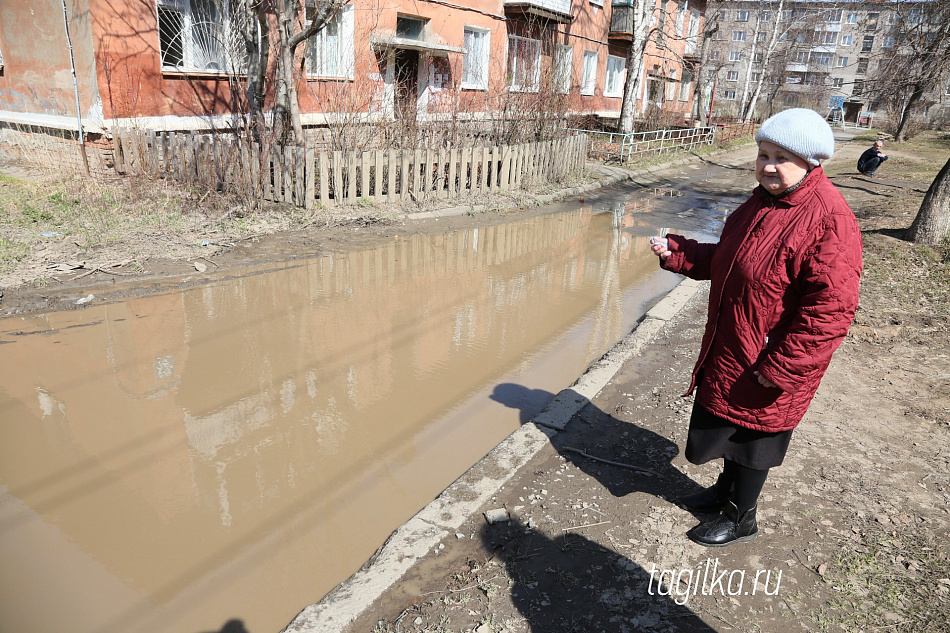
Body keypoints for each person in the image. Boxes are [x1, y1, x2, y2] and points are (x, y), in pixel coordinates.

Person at [649, 108, 863, 547]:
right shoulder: (761, 203)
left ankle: (742, 517)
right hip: (737, 344)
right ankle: (725, 496)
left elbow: (831, 310)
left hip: (772, 355)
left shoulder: (829, 220)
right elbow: (729, 261)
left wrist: (783, 366)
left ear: (810, 162)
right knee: (732, 426)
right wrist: (678, 251)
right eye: (762, 153)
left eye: (781, 157)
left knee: (755, 437)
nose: (767, 165)